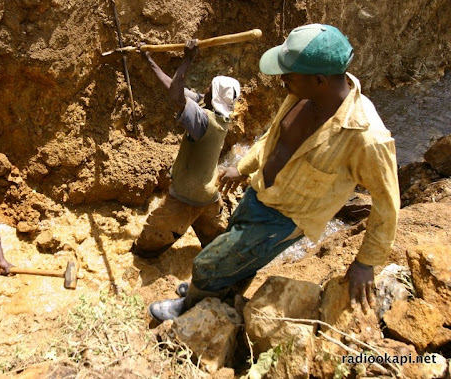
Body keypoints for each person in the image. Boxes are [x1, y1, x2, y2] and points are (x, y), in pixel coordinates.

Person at [149, 24, 400, 322]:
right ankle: (216, 296)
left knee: (207, 262)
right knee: (236, 259)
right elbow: (272, 138)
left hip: (283, 220)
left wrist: (366, 262)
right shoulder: (303, 96)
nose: (281, 81)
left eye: (288, 75)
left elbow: (387, 202)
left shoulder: (366, 137)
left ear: (318, 80)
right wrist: (243, 168)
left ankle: (189, 308)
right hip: (258, 193)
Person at [130, 40, 241, 259]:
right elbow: (173, 86)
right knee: (216, 248)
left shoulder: (202, 120)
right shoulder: (220, 116)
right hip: (209, 194)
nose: (205, 89)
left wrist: (188, 58)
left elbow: (175, 97)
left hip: (185, 197)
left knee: (145, 249)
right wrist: (148, 59)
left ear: (213, 96)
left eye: (210, 88)